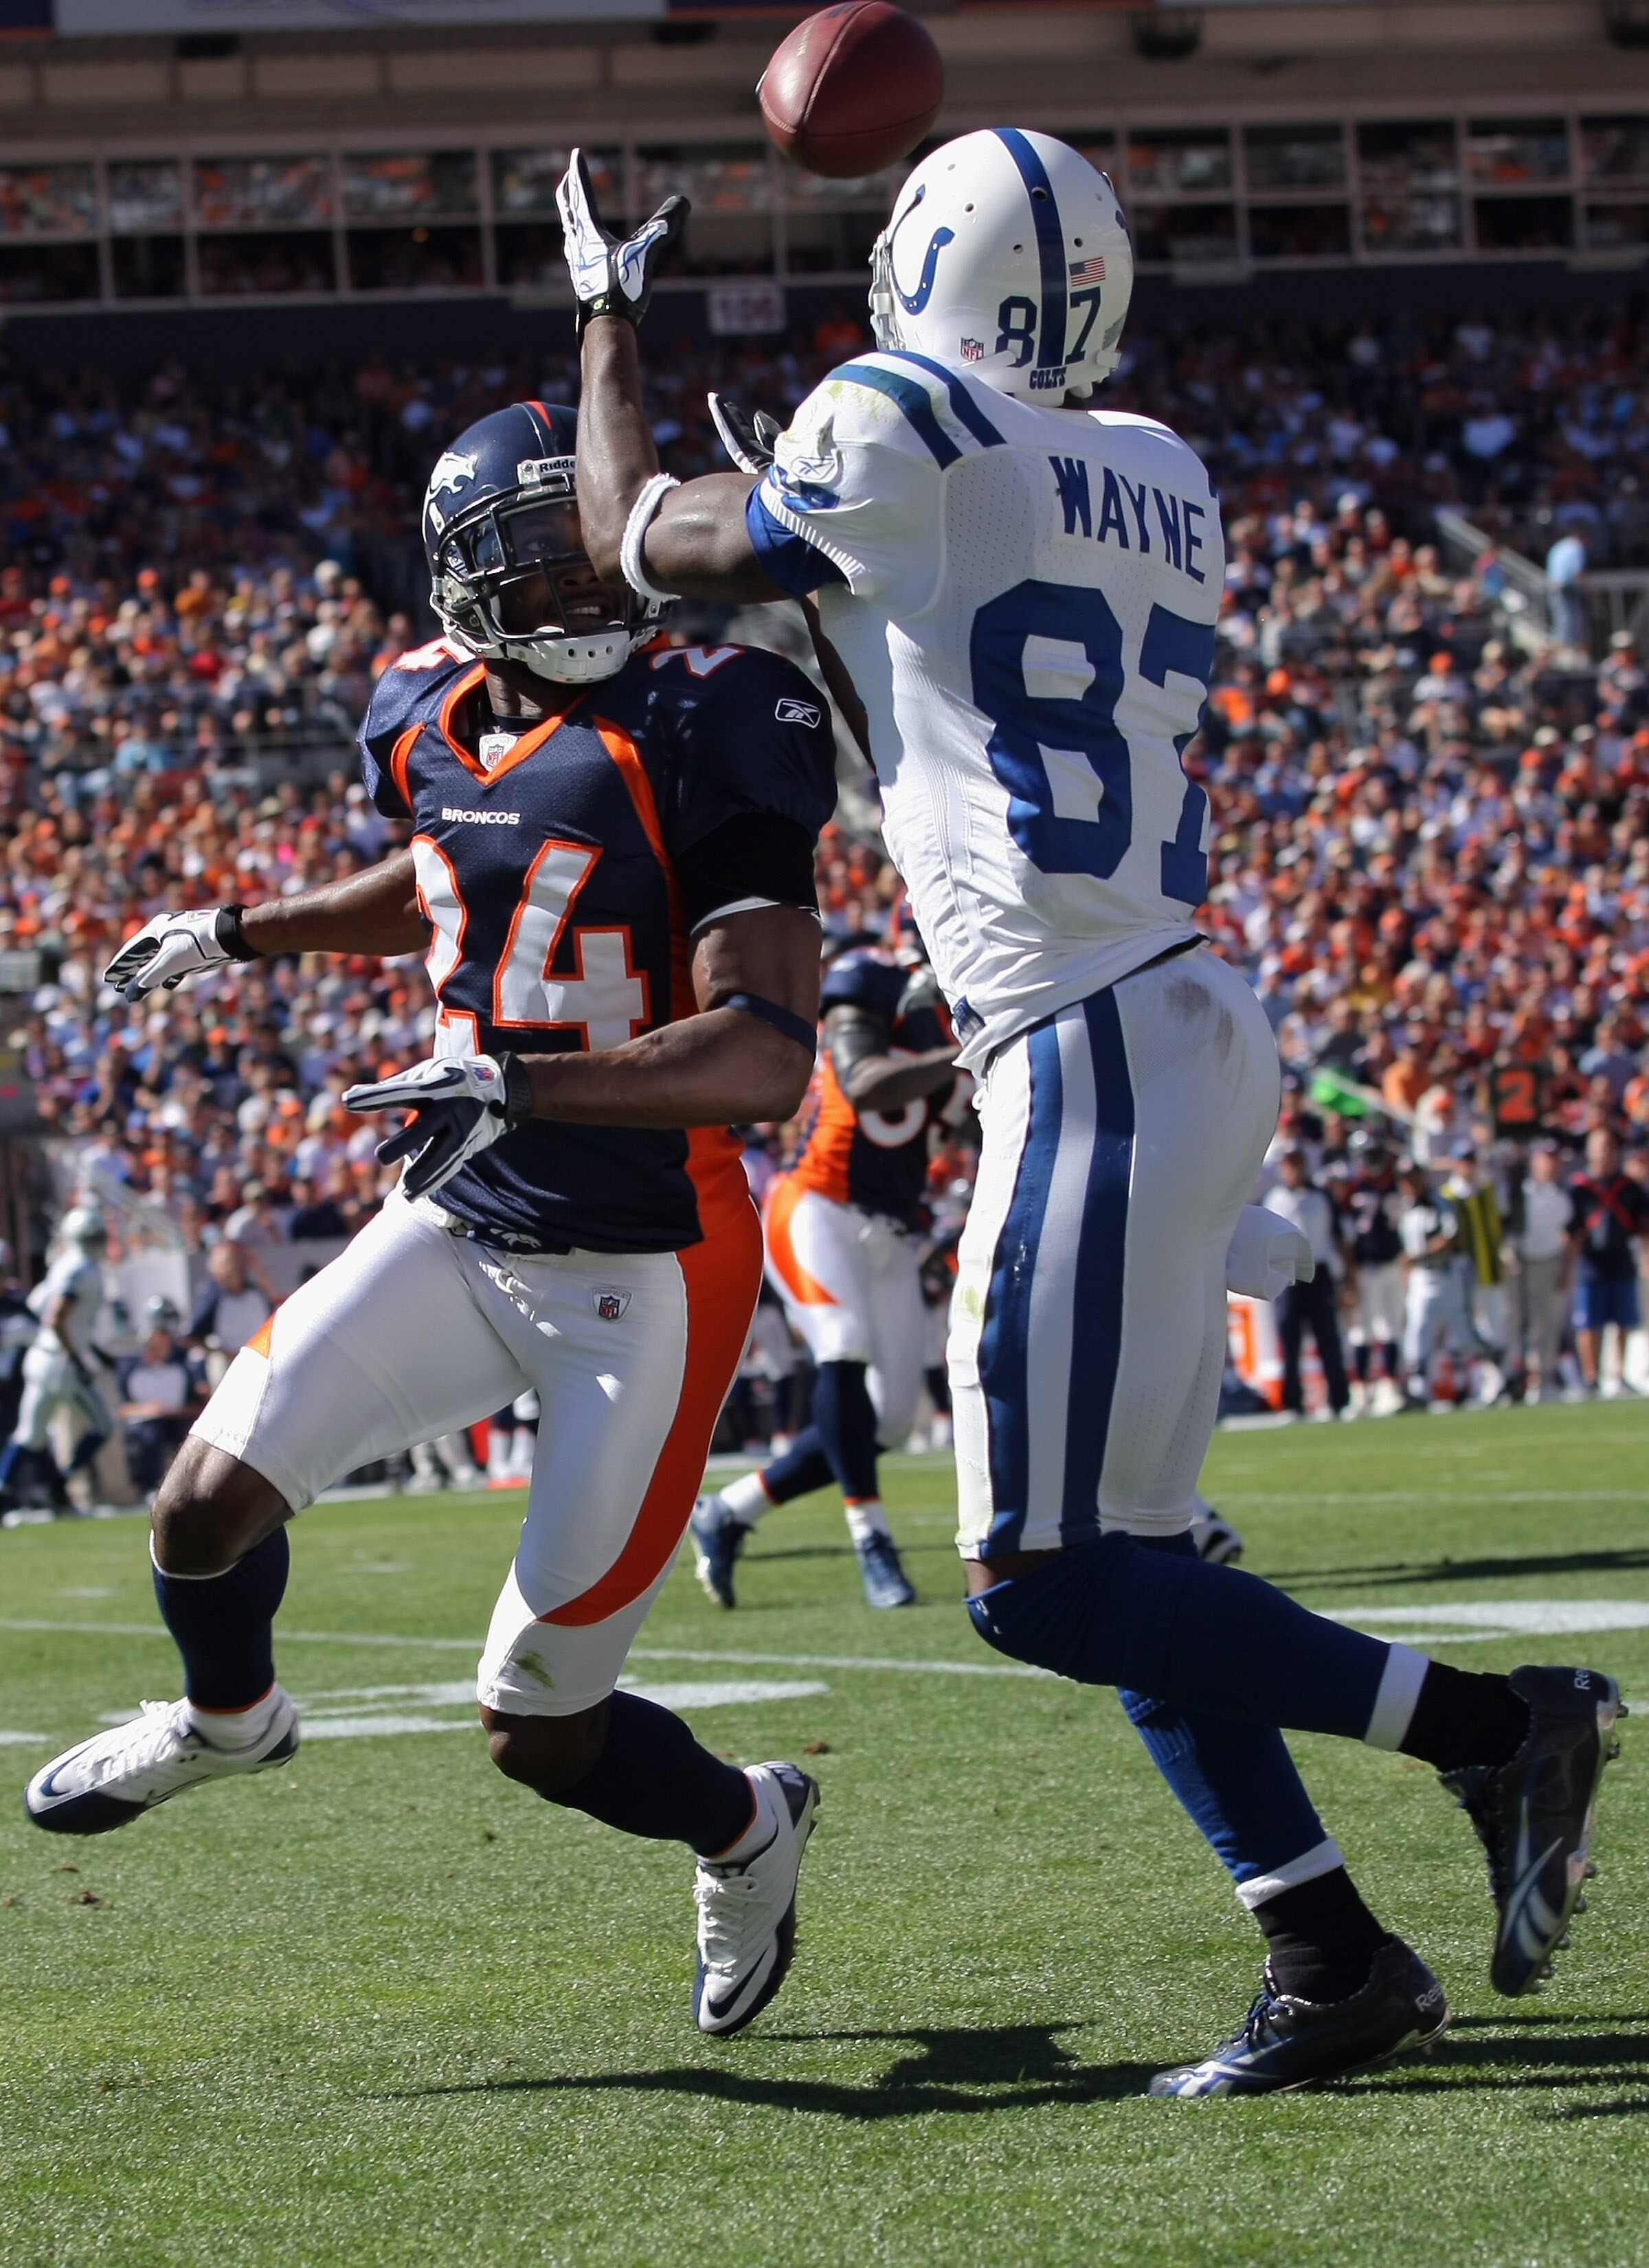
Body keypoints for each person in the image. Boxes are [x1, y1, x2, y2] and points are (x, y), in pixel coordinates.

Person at [553, 133, 1625, 2092]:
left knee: (1037, 1580)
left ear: (914, 266)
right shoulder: (1167, 467)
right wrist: (825, 548)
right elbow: (936, 647)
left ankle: (1497, 1725)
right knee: (1140, 1567)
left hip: (1088, 1030)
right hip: (1177, 1007)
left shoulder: (891, 418)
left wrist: (606, 312)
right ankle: (1329, 1958)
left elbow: (640, 540)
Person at [25, 401, 841, 2043]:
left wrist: (522, 1085)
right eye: (529, 562)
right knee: (197, 1510)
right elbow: (450, 877)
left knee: (537, 1724)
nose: (571, 583)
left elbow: (760, 1057)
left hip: (643, 1266)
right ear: (460, 583)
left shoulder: (709, 717)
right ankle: (230, 1715)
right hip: (468, 1213)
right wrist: (239, 927)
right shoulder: (420, 712)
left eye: (583, 544)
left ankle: (746, 1828)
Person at [691, 945, 959, 1610]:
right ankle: (873, 1541)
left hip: (892, 1229)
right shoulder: (881, 978)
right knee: (841, 1343)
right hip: (817, 1207)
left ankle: (729, 1510)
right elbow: (865, 1081)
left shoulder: (977, 1004)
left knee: (893, 1422)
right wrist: (973, 1052)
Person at [0, 1206, 114, 1516]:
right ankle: (58, 1486)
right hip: (62, 1363)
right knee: (104, 1426)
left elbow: (39, 1304)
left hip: (42, 1355)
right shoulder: (82, 1270)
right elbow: (56, 1316)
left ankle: (5, 1488)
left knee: (29, 1436)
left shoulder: (62, 1264)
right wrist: (77, 1356)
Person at [1261, 1148, 1351, 1419]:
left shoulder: (1321, 1196)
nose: (1294, 1171)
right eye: (1289, 1166)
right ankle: (1293, 1403)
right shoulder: (1274, 1199)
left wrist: (1349, 1275)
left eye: (1297, 1165)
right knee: (1289, 1339)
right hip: (1288, 1275)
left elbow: (1339, 1236)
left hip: (1318, 1272)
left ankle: (1339, 1401)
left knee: (1328, 1338)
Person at [1568, 1126, 1649, 1395]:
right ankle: (1591, 1377)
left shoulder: (1629, 1187)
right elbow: (1571, 1230)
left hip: (1621, 1258)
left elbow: (1643, 1224)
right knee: (1589, 1322)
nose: (1604, 1153)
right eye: (1599, 1146)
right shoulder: (1579, 1188)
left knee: (1623, 1320)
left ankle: (1620, 1374)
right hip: (1591, 1262)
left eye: (1609, 1147)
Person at [1340, 1129, 1405, 1414]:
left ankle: (1389, 1386)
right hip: (1363, 1267)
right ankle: (1361, 1391)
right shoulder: (1353, 1188)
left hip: (1392, 1263)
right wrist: (1350, 1271)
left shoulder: (1397, 1183)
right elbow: (1344, 1236)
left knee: (1391, 1326)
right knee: (1362, 1330)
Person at [1398, 1159, 1468, 1405]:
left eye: (1414, 1178)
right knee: (1418, 1332)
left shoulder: (1439, 1203)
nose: (1411, 1185)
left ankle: (1464, 1385)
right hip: (1420, 1277)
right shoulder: (1407, 1208)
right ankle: (1418, 1390)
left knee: (1461, 1331)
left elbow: (1451, 1236)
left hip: (1444, 1273)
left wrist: (1421, 1254)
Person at [1510, 1142, 1574, 1403]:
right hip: (1521, 1264)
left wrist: (1566, 1269)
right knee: (1517, 1323)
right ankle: (1516, 1378)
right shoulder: (1522, 1192)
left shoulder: (1562, 1196)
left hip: (1549, 1263)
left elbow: (1569, 1236)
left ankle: (1545, 1377)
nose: (1550, 1164)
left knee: (1546, 1324)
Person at [116, 1298, 200, 1496]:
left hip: (178, 1419)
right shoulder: (132, 1370)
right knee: (149, 1436)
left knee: (190, 1435)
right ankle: (150, 1488)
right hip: (148, 1422)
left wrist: (172, 1411)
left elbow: (198, 1404)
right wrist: (149, 1410)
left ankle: (191, 1487)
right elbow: (123, 1408)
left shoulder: (184, 1364)